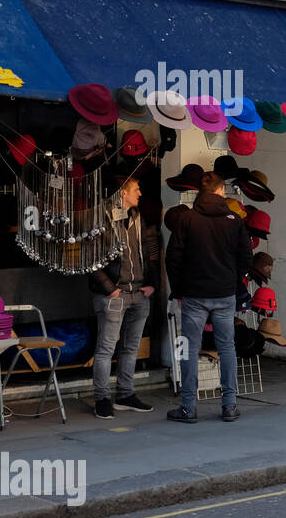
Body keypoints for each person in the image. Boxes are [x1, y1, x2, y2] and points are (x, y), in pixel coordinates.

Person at [165, 171, 252, 423]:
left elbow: (174, 258)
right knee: (227, 347)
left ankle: (188, 407)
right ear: (219, 191)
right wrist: (235, 282)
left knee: (188, 349)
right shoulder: (234, 220)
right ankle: (229, 405)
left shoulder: (187, 219)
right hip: (225, 294)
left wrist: (178, 290)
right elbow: (246, 256)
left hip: (193, 294)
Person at [87, 177, 159, 418]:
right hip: (115, 294)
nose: (140, 193)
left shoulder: (137, 216)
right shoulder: (101, 218)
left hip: (138, 292)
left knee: (131, 347)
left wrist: (151, 284)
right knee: (106, 348)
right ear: (122, 193)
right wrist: (109, 288)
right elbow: (90, 258)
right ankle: (102, 398)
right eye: (136, 189)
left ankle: (126, 394)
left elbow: (147, 252)